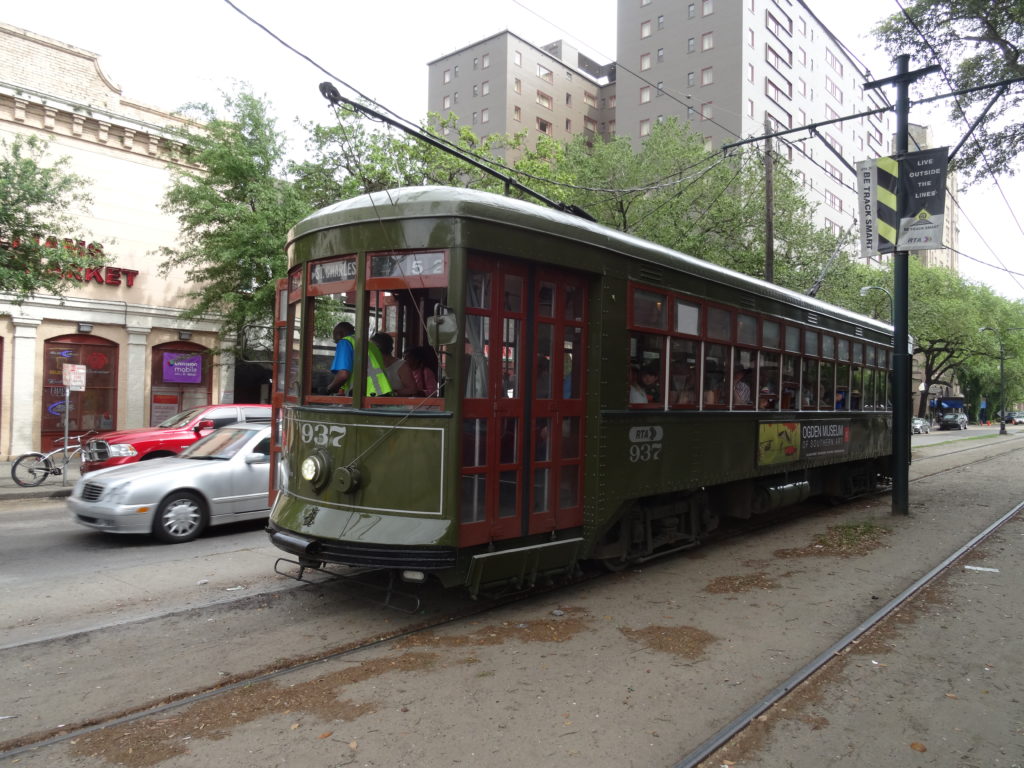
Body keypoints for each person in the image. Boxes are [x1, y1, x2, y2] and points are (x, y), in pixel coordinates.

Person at [325, 321, 392, 397]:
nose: (337, 343)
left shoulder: (345, 342)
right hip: (384, 392)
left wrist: (328, 389)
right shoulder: (370, 345)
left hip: (369, 394)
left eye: (335, 341)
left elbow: (343, 375)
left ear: (340, 335)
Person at [372, 332, 419, 396]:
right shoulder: (373, 365)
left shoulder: (401, 366)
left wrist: (394, 393)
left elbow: (412, 389)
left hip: (399, 404)